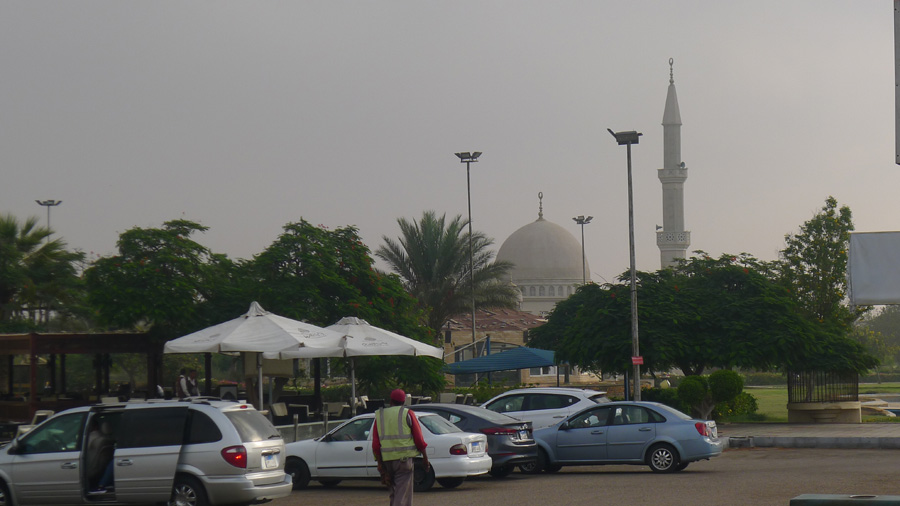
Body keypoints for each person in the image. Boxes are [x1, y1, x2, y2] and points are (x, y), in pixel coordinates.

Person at [372, 389, 429, 506]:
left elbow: (376, 443)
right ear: (403, 402)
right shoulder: (407, 413)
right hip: (404, 461)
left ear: (390, 401)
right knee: (402, 494)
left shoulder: (380, 415)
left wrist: (379, 463)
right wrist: (425, 458)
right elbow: (419, 439)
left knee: (394, 492)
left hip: (387, 460)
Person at [86, 418, 115, 493]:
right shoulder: (106, 439)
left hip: (91, 469)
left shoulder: (90, 438)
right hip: (99, 469)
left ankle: (101, 486)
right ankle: (101, 484)